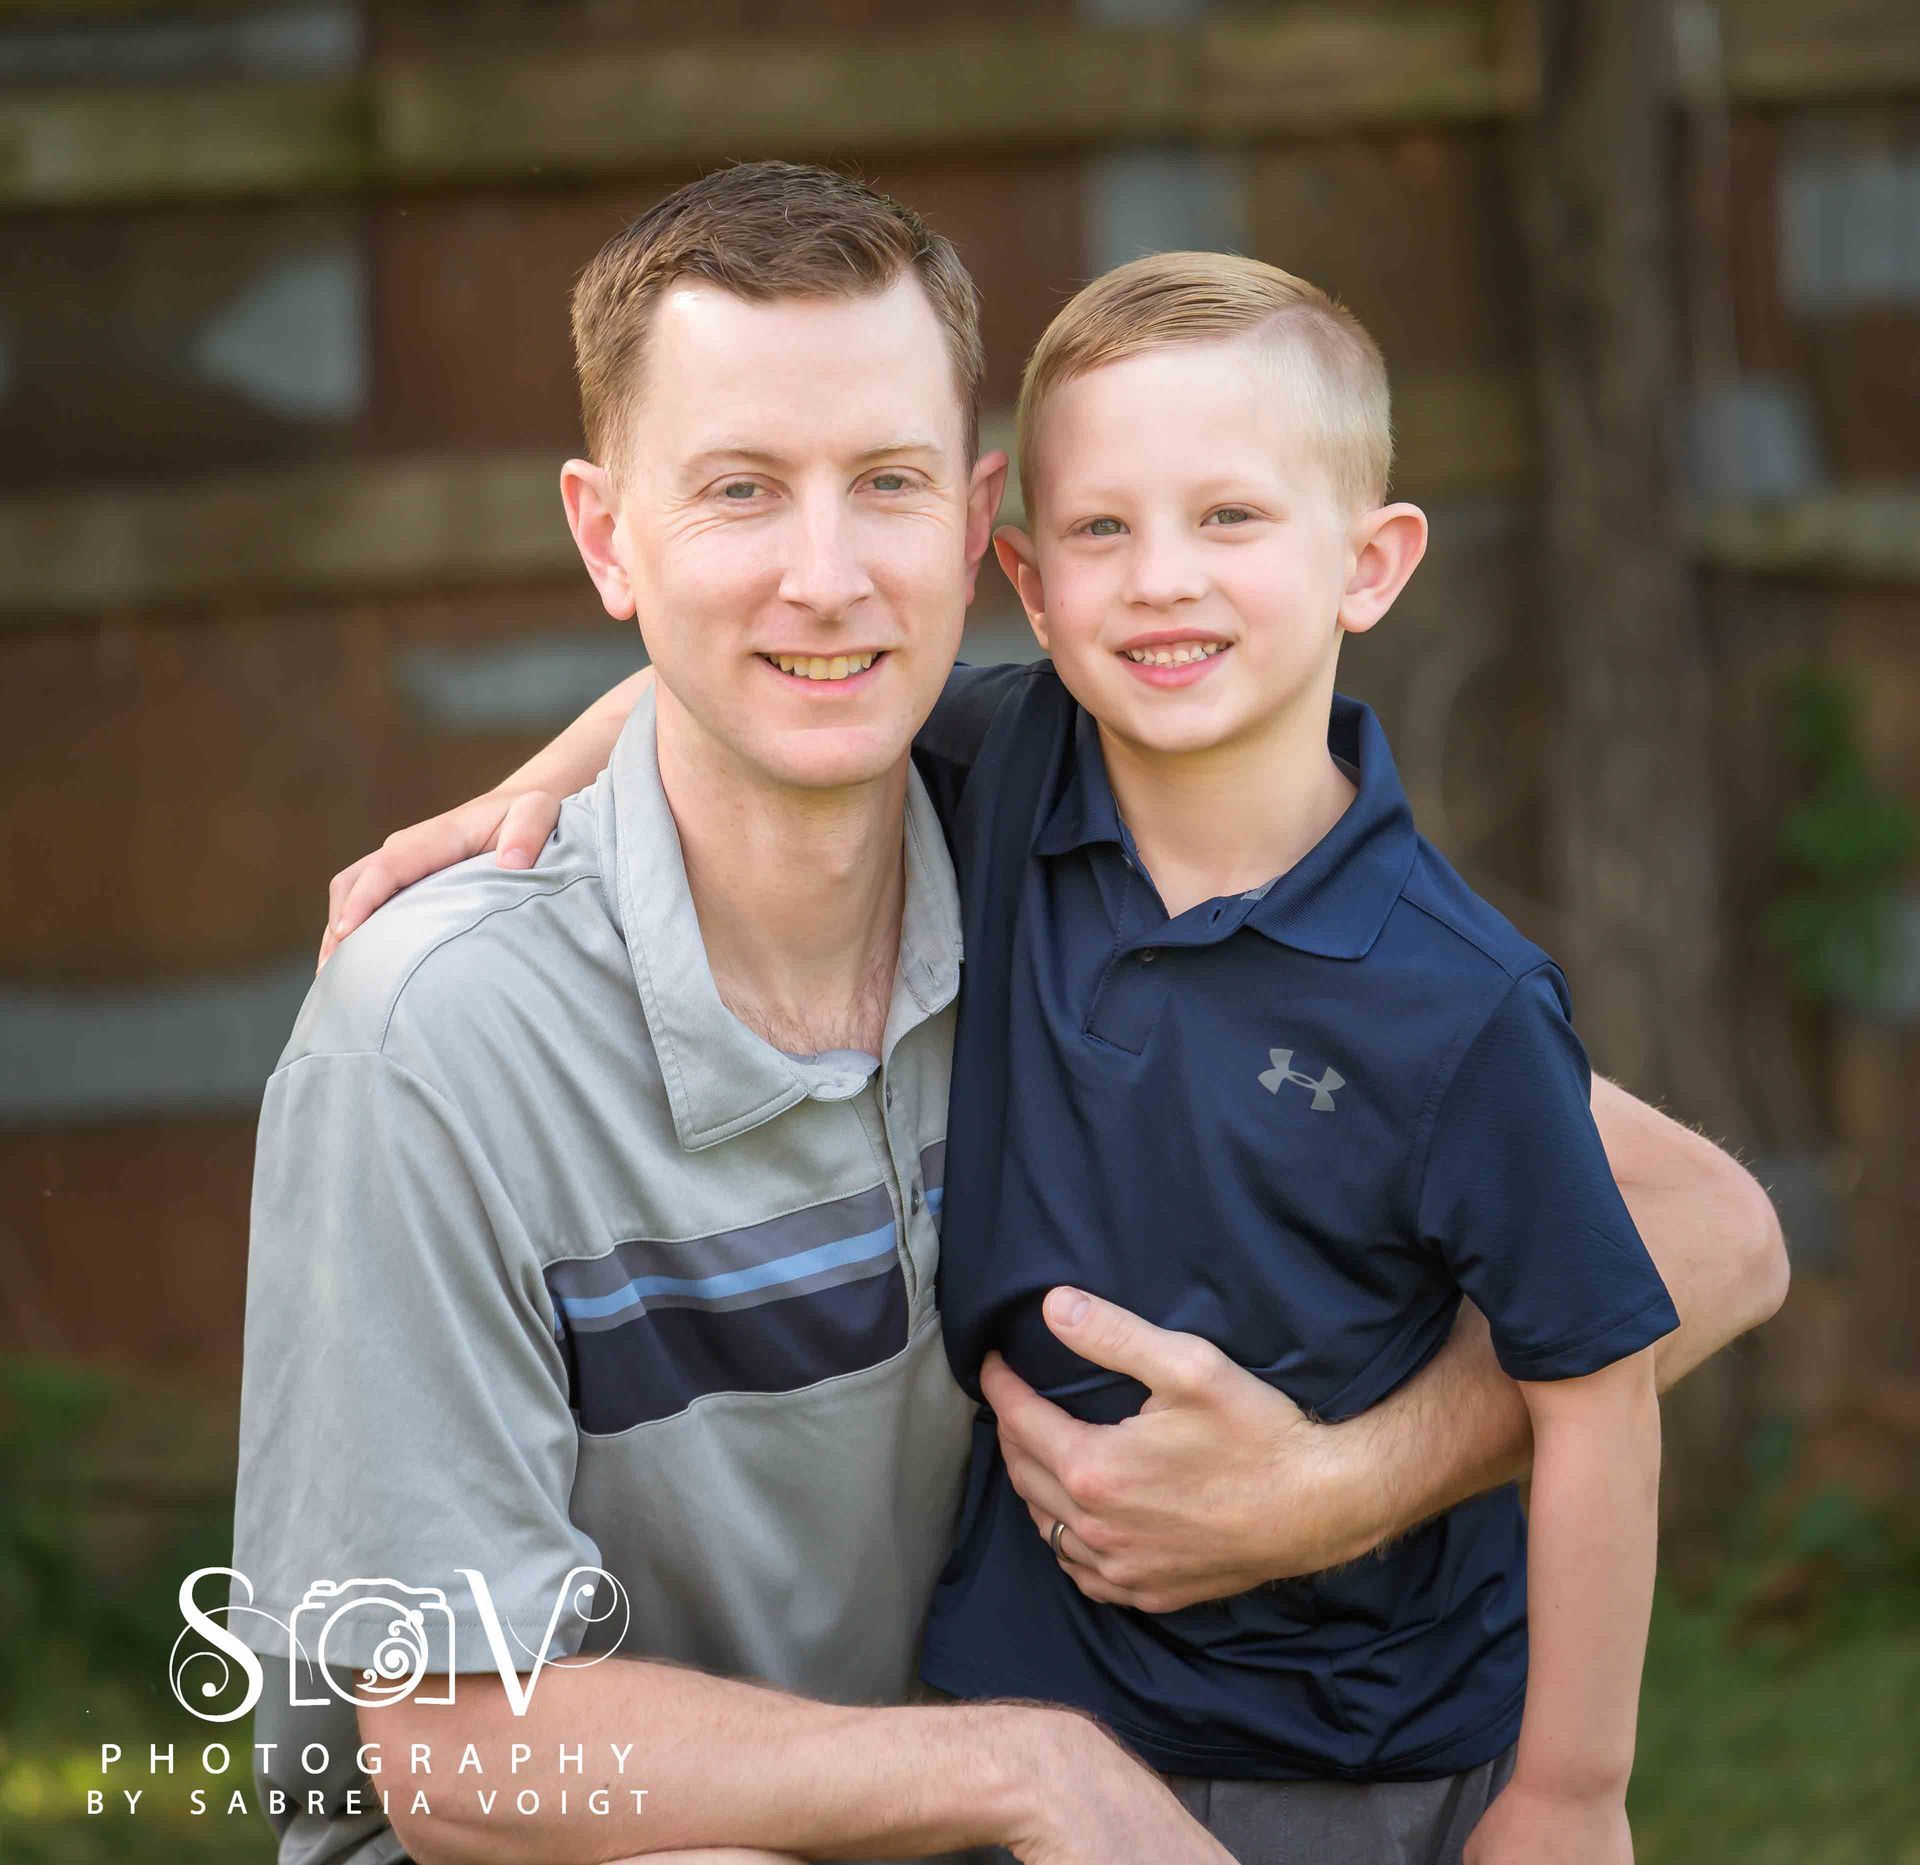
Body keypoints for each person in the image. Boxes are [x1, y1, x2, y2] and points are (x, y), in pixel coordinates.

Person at [287, 166, 1786, 1865]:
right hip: (850, 1790)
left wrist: (1338, 1495)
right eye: (739, 489)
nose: (829, 573)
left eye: (887, 485)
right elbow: (446, 1760)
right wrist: (532, 788)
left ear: (965, 528)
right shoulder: (459, 1021)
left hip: (1250, 1757)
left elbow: (1713, 1237)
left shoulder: (1254, 922)